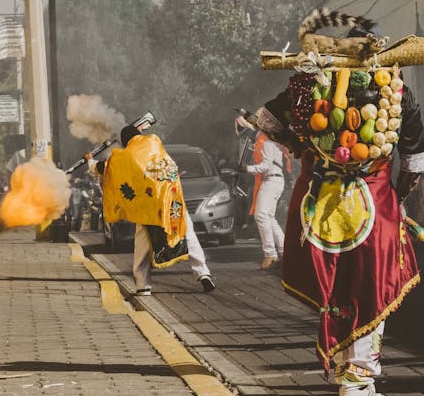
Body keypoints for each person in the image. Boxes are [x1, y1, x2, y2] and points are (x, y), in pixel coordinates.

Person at [259, 38, 424, 396]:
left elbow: (265, 119)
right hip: (375, 200)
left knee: (335, 286)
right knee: (370, 284)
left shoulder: (306, 86)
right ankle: (357, 380)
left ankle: (340, 366)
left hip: (318, 203)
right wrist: (399, 194)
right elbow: (415, 158)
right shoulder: (393, 86)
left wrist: (299, 147)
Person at [86, 120, 216, 295]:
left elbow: (106, 168)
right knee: (187, 233)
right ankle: (203, 273)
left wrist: (90, 161)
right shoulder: (155, 143)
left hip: (149, 206)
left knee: (142, 245)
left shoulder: (127, 155)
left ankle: (143, 286)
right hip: (172, 198)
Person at [239, 128, 290, 270]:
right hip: (275, 181)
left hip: (271, 180)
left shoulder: (266, 142)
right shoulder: (272, 142)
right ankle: (284, 251)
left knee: (261, 216)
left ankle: (270, 255)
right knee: (269, 217)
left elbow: (266, 166)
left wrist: (247, 168)